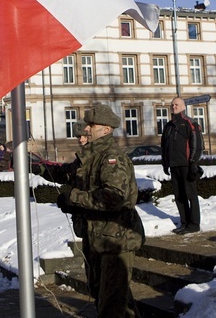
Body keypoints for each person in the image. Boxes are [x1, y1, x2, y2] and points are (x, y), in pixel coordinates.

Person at [35, 105, 144, 318]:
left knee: (111, 305)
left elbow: (115, 197)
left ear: (105, 129)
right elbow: (66, 174)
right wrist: (36, 167)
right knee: (108, 296)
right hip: (96, 238)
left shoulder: (111, 157)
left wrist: (74, 198)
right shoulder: (90, 156)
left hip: (116, 240)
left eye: (91, 125)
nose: (86, 129)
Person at [161, 97, 203, 235]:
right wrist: (165, 163)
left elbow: (197, 145)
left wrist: (193, 163)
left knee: (190, 194)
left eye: (177, 105)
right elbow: (164, 146)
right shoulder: (168, 126)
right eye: (172, 105)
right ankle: (184, 222)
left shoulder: (190, 123)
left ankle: (194, 224)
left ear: (183, 107)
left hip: (186, 165)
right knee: (179, 196)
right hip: (174, 165)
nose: (174, 107)